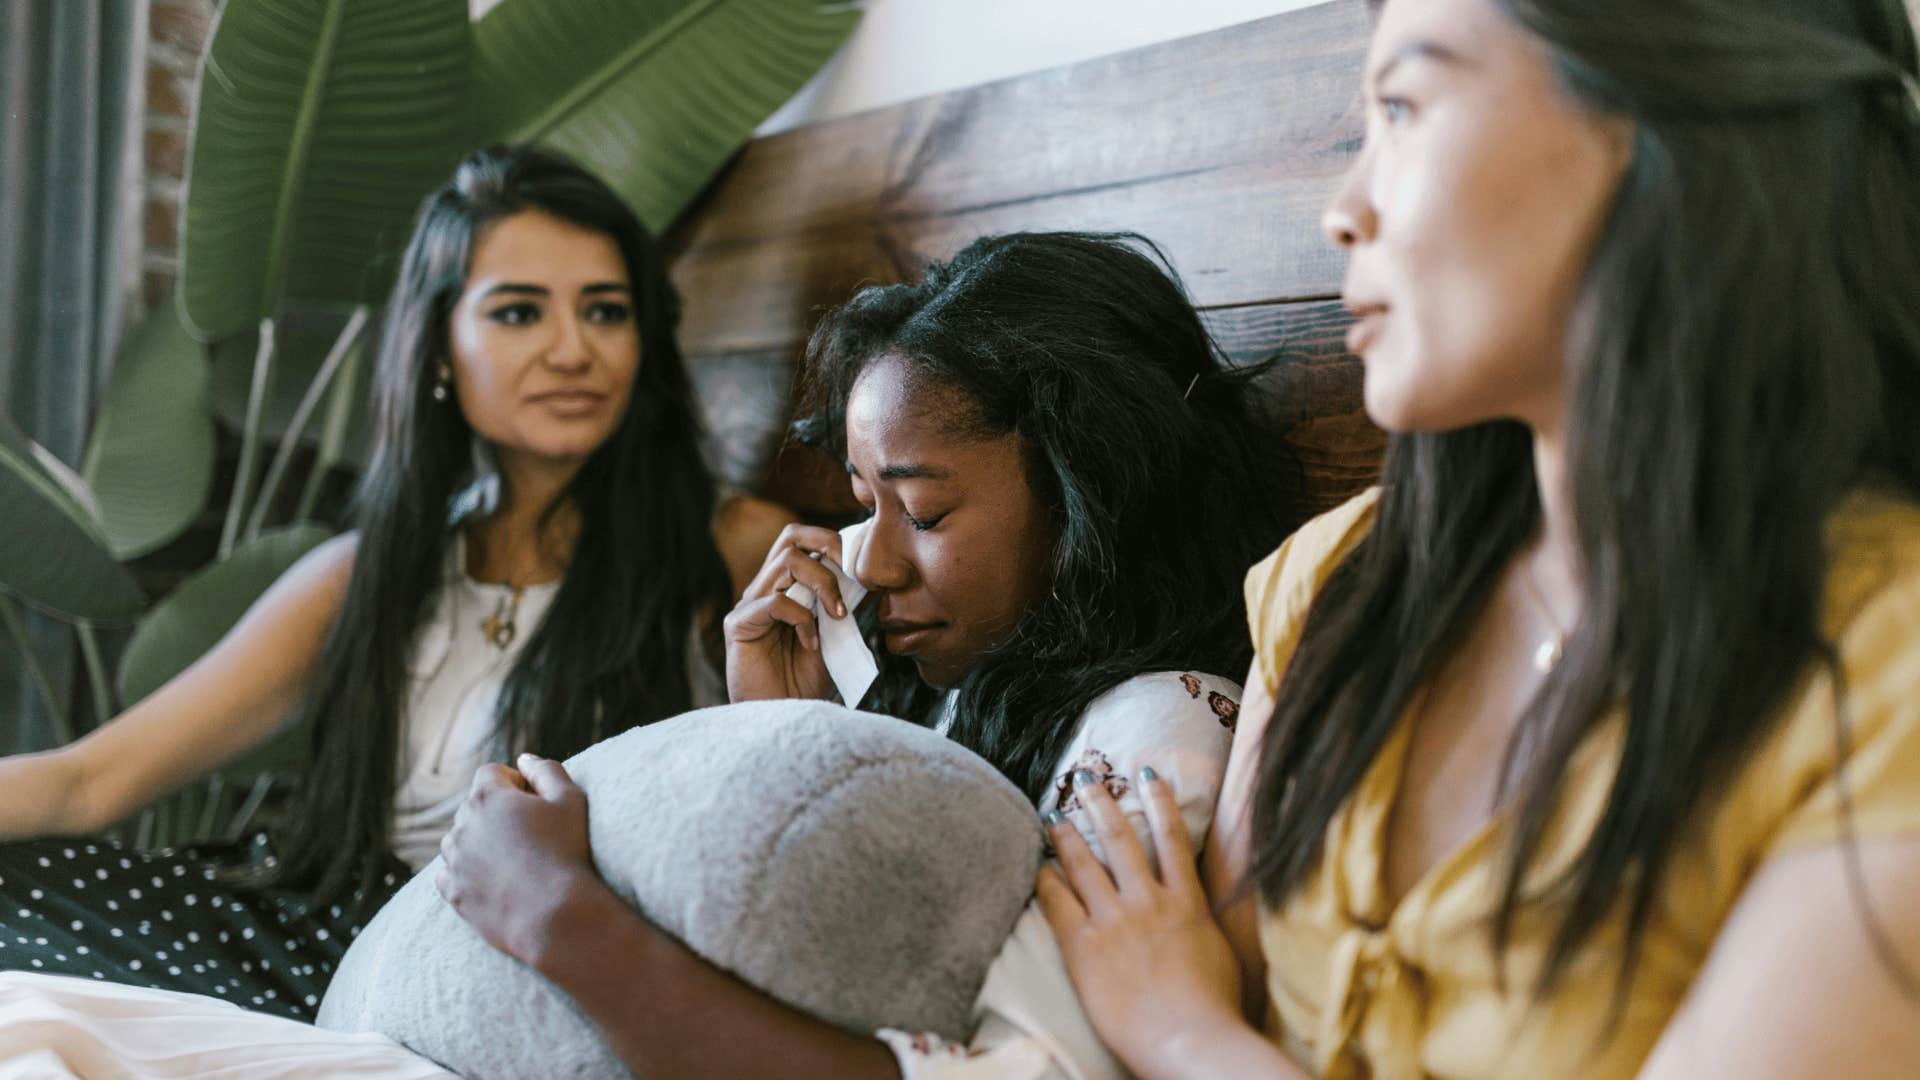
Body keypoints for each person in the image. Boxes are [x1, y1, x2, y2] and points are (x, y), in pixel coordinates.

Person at [1037, 0, 1920, 1076]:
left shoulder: (1888, 676)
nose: (1344, 209)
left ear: (1660, 121)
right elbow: (1233, 978)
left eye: (1404, 108)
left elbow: (1191, 1003)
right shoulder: (1340, 580)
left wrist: (1180, 1033)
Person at [433, 230, 1303, 1077]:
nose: (875, 565)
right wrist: (792, 736)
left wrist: (553, 917)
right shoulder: (967, 691)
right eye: (863, 504)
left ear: (1094, 497)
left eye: (921, 513)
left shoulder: (1156, 733)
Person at [0, 144, 791, 1021]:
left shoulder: (732, 546)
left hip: (521, 962)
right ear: (442, 350)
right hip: (324, 935)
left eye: (606, 311)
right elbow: (89, 782)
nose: (574, 350)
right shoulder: (364, 573)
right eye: (520, 312)